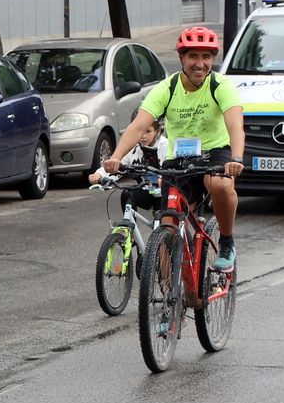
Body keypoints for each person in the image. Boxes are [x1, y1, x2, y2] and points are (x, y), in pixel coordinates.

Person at [104, 26, 245, 271]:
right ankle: (169, 299)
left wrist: (236, 158)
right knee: (168, 225)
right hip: (180, 158)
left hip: (215, 152)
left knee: (221, 184)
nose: (199, 64)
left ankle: (226, 241)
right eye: (193, 56)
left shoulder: (221, 86)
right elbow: (138, 127)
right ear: (181, 58)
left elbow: (235, 125)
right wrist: (116, 157)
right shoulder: (167, 88)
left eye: (206, 57)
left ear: (212, 60)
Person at [89, 118, 163, 211]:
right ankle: (128, 224)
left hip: (165, 193)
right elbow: (117, 165)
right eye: (141, 132)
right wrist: (99, 174)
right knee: (127, 194)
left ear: (158, 131)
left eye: (148, 131)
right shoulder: (133, 149)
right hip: (146, 191)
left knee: (163, 219)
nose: (143, 136)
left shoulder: (166, 146)